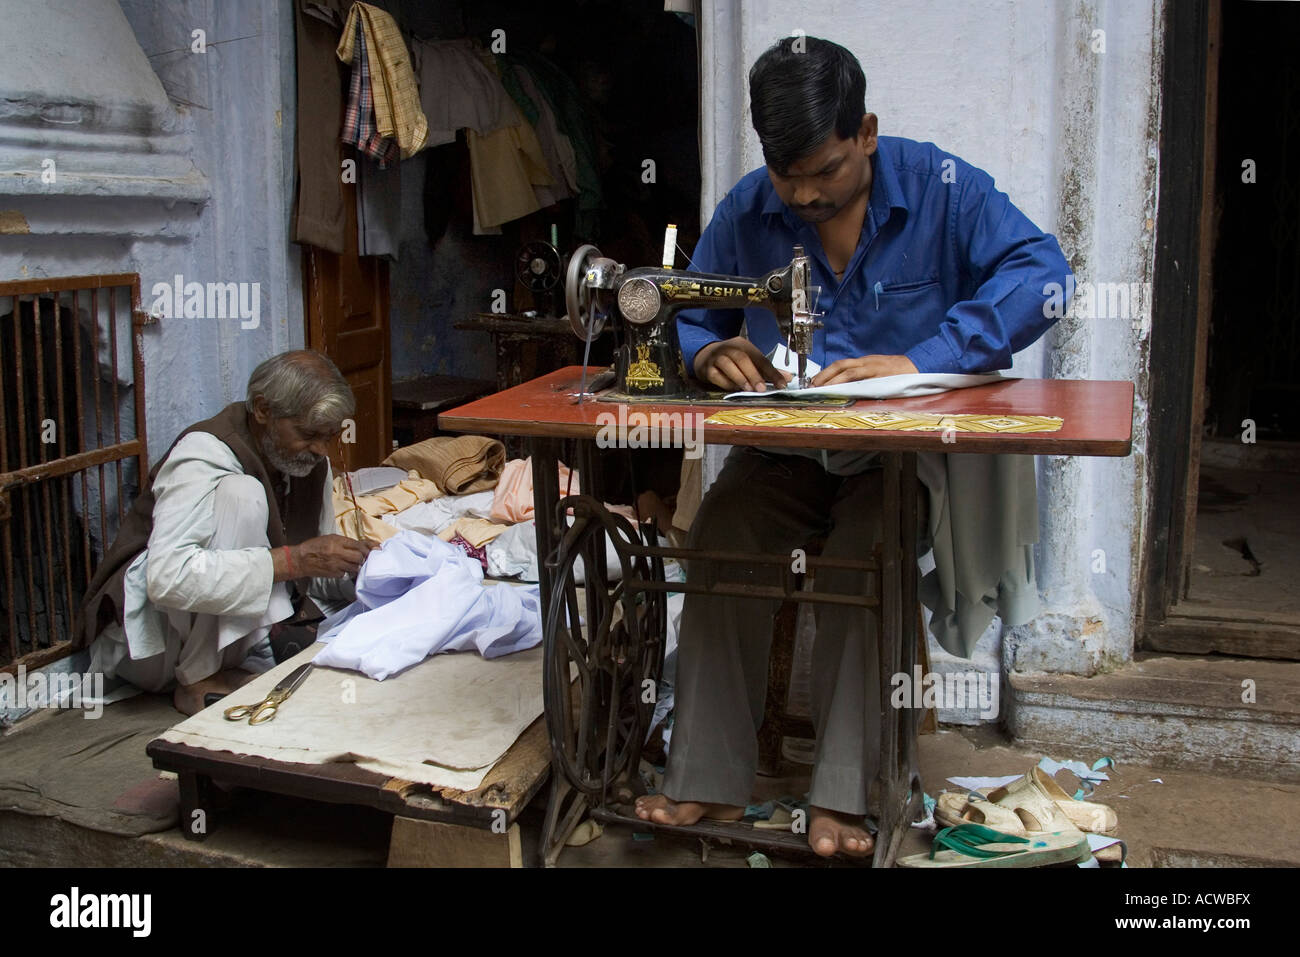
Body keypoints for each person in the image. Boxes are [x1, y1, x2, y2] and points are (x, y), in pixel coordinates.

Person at [635, 37, 1071, 857]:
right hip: (789, 451)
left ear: (865, 132)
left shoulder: (942, 190)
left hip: (895, 457)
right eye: (785, 174)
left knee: (861, 561)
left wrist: (928, 356)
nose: (802, 193)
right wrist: (703, 353)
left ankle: (847, 795)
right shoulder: (750, 208)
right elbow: (688, 303)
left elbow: (1043, 273)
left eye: (824, 171)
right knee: (724, 538)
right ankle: (704, 779)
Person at [79, 350, 375, 715]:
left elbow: (310, 577)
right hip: (151, 648)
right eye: (309, 434)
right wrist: (295, 559)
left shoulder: (310, 463)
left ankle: (221, 669)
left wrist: (359, 567)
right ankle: (197, 681)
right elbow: (167, 578)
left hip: (233, 649)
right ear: (263, 410)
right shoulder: (204, 453)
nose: (320, 449)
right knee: (243, 495)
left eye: (328, 436)